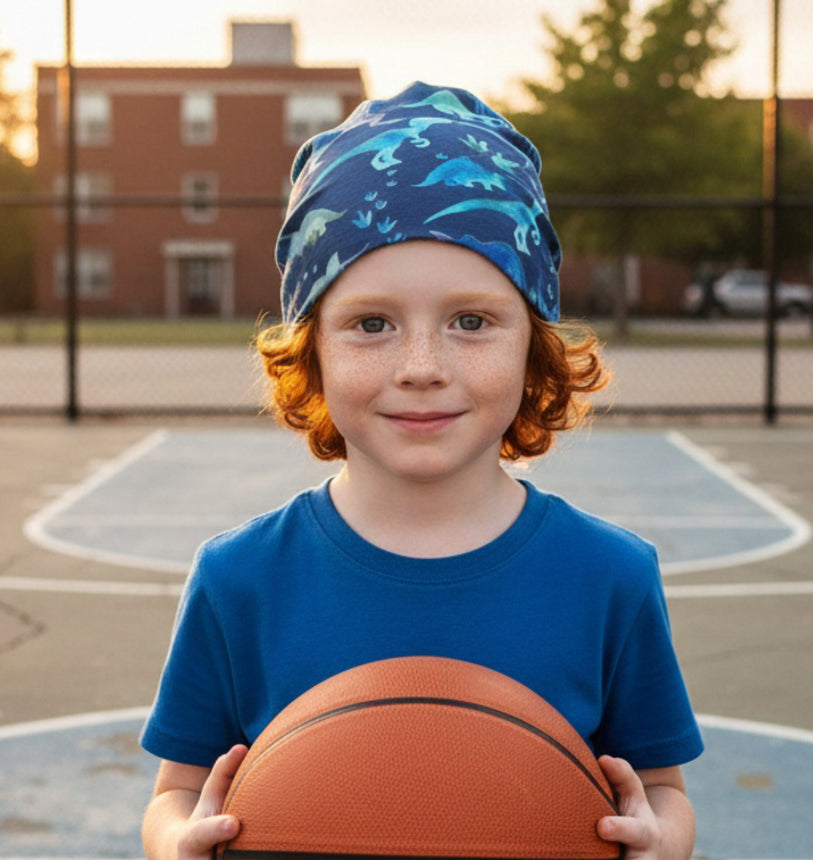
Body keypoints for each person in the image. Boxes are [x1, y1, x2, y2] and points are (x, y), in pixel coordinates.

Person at [140, 82, 703, 860]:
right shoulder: (239, 579)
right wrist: (176, 841)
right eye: (371, 323)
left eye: (471, 321)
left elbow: (664, 790)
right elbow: (174, 792)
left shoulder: (609, 576)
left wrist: (662, 840)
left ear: (533, 347)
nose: (422, 366)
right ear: (312, 351)